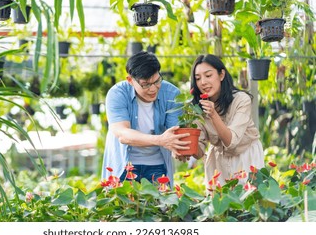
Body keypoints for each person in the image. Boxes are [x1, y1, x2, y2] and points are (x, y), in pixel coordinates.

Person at [101, 51, 189, 187]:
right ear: (130, 80)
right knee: (121, 206)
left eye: (157, 81)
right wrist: (160, 140)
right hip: (124, 166)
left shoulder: (172, 93)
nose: (153, 88)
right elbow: (122, 134)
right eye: (146, 84)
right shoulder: (117, 93)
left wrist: (179, 149)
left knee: (161, 207)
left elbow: (175, 132)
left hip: (157, 165)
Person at [186, 54, 265, 187]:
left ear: (221, 75)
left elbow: (231, 141)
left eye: (208, 75)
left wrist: (213, 114)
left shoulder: (241, 100)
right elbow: (199, 152)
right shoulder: (198, 108)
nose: (203, 82)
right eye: (198, 78)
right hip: (218, 162)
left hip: (246, 157)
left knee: (249, 201)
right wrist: (186, 147)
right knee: (220, 203)